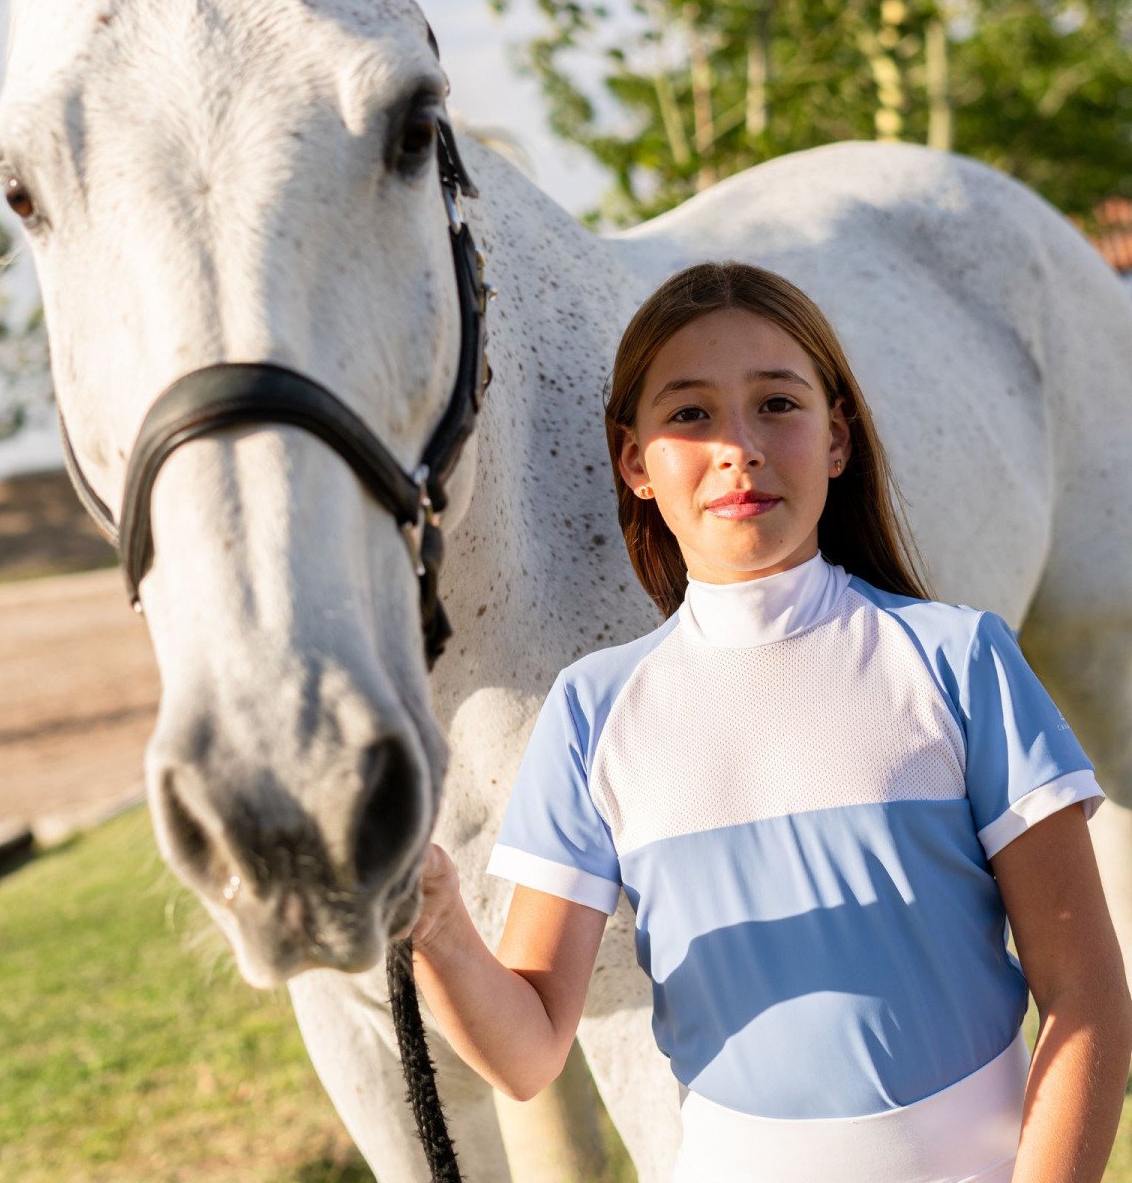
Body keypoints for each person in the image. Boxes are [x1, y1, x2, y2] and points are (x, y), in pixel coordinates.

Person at [411, 261, 1132, 1183]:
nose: (737, 447)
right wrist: (433, 921)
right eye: (690, 414)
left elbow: (1085, 994)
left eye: (778, 404)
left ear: (837, 438)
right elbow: (528, 1053)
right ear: (635, 462)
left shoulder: (959, 660)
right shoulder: (593, 712)